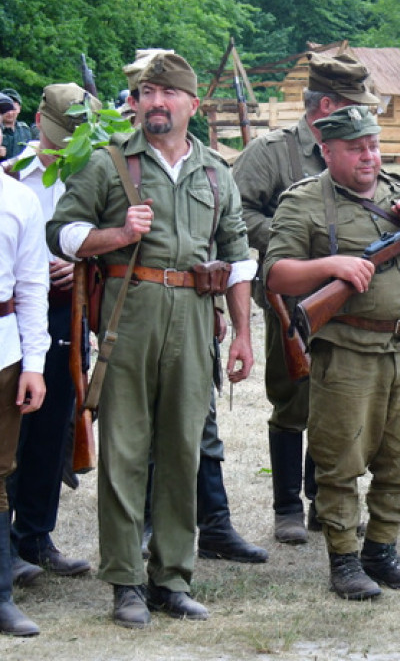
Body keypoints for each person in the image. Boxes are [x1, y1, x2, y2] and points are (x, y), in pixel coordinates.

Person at [46, 52, 256, 627]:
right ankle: (125, 583)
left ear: (192, 103)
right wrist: (117, 232)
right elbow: (61, 234)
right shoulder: (107, 163)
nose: (156, 103)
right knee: (124, 450)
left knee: (183, 451)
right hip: (128, 314)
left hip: (193, 315)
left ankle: (172, 578)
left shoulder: (216, 172)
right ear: (135, 104)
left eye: (168, 93)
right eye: (146, 93)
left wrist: (242, 334)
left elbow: (237, 258)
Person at [265, 105, 400, 600]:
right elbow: (275, 274)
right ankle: (344, 558)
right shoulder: (305, 203)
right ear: (328, 151)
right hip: (348, 350)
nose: (369, 156)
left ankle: (382, 550)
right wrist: (331, 265)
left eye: (374, 146)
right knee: (340, 460)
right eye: (356, 148)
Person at [233, 51, 379, 545]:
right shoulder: (272, 152)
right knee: (292, 398)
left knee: (335, 399)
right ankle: (285, 508)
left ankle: (325, 501)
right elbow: (235, 217)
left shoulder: (357, 149)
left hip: (347, 300)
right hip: (291, 296)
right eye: (350, 104)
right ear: (325, 106)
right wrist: (294, 238)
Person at [6, 85, 96, 589]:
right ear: (38, 119)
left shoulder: (94, 169)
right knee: (10, 428)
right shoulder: (13, 174)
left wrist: (81, 262)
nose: (64, 145)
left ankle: (36, 536)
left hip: (68, 309)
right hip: (14, 313)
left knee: (53, 427)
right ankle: (7, 543)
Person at [1, 160, 48, 637]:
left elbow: (32, 285)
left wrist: (33, 364)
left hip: (3, 350)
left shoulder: (18, 200)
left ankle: (0, 595)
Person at [1, 88, 37, 161]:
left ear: (19, 109)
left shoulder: (26, 130)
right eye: (6, 109)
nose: (10, 113)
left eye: (13, 108)